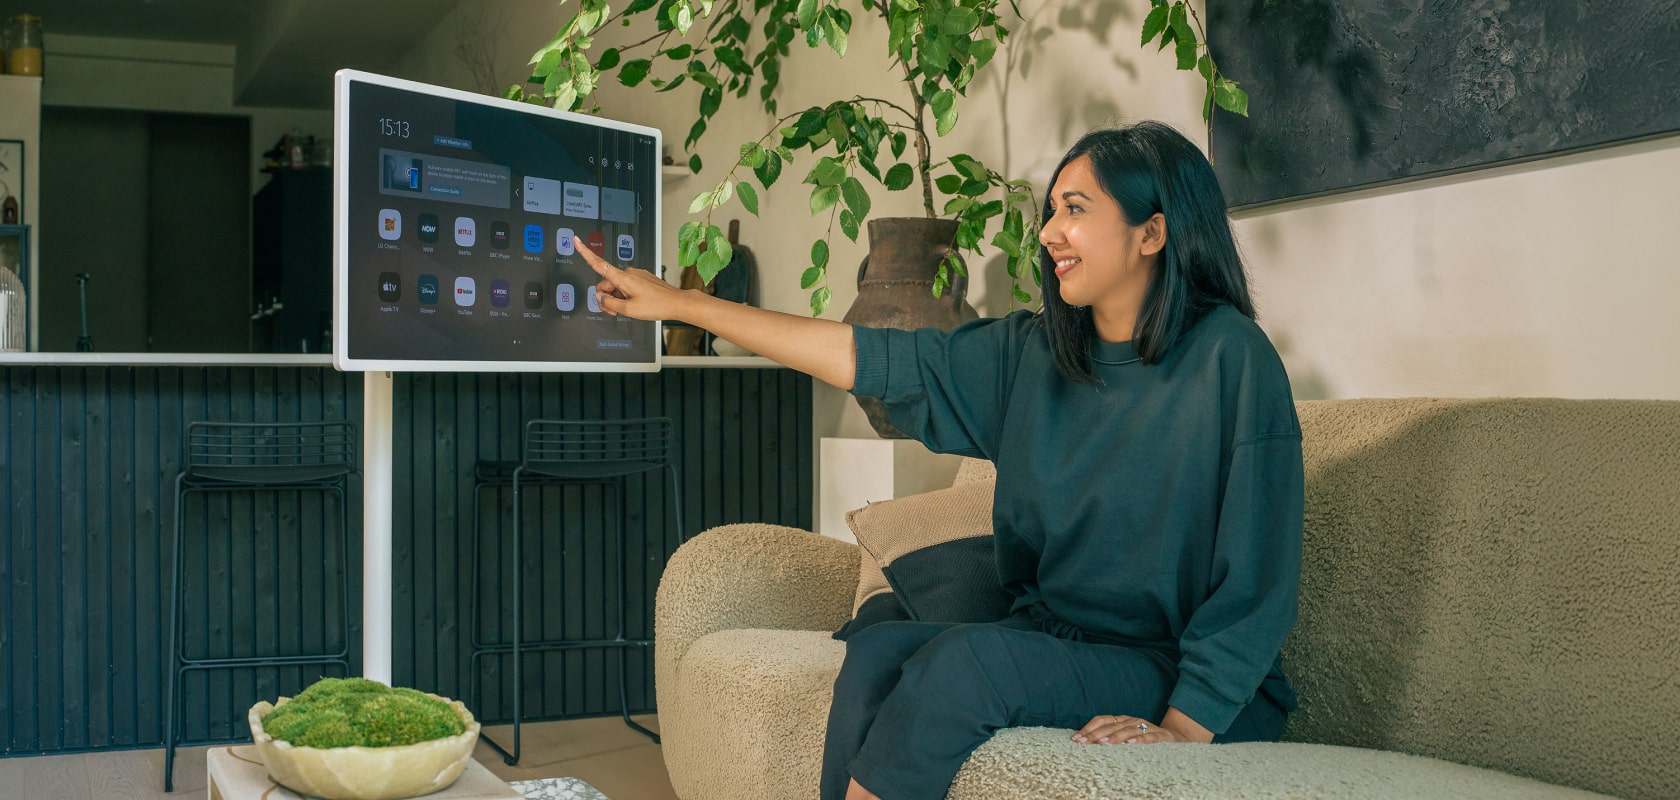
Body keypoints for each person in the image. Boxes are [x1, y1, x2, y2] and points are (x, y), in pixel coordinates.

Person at [579, 120, 1303, 800]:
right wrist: (685, 305)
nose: (1049, 234)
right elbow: (868, 357)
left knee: (965, 667)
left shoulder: (1231, 359)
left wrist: (1183, 728)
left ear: (1152, 232)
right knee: (876, 651)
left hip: (1171, 668)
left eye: (1074, 209)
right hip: (1058, 642)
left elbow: (1258, 577)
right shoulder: (1036, 355)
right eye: (1051, 211)